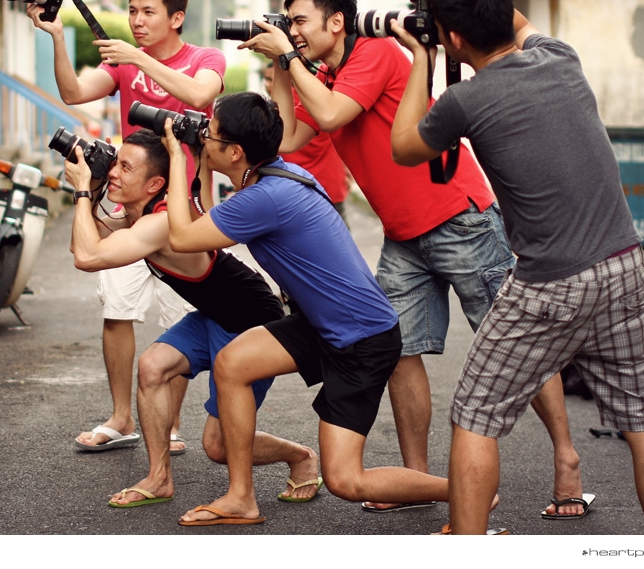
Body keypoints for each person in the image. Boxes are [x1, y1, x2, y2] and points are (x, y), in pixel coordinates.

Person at [239, 0, 583, 515]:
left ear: (336, 22)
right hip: (403, 236)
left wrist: (289, 58)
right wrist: (285, 65)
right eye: (289, 23)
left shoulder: (374, 52)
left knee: (522, 342)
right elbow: (286, 139)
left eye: (300, 20)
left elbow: (331, 116)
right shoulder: (322, 73)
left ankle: (567, 461)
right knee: (400, 351)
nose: (293, 31)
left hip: (459, 220)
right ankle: (415, 478)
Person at [389, 0, 644, 534]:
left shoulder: (464, 102)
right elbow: (514, 19)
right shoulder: (559, 56)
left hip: (550, 283)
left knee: (475, 413)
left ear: (452, 38)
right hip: (624, 266)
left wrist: (420, 59)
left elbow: (403, 148)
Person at [163, 93, 493, 527]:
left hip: (361, 339)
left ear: (236, 151)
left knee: (345, 479)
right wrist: (200, 162)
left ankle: (469, 492)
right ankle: (241, 497)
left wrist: (174, 156)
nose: (203, 135)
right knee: (232, 364)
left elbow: (184, 238)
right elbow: (209, 218)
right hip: (325, 322)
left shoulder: (265, 197)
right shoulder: (277, 176)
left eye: (211, 132)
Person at [65, 129, 320, 510]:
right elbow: (82, 244)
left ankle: (300, 455)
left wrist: (84, 189)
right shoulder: (137, 217)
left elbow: (87, 258)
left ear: (155, 183)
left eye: (124, 167)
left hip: (251, 322)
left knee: (217, 446)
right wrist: (93, 187)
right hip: (214, 315)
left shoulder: (160, 222)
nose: (114, 172)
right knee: (152, 367)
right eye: (115, 162)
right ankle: (159, 477)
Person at [29, 0, 225, 453]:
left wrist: (137, 58)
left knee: (180, 318)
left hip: (185, 209)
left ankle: (171, 423)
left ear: (176, 17)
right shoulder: (122, 67)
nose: (137, 21)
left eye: (148, 12)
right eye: (133, 11)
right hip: (127, 206)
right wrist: (57, 36)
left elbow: (200, 95)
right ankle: (121, 418)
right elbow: (74, 93)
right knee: (117, 308)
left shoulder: (205, 58)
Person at [263, 60, 349, 221]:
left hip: (297, 186)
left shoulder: (284, 109)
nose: (268, 85)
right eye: (266, 79)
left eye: (272, 79)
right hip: (328, 183)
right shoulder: (319, 99)